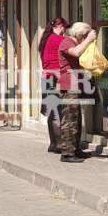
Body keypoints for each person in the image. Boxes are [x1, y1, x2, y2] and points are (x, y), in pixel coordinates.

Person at [57, 22, 98, 163]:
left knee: (77, 119)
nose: (86, 39)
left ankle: (75, 149)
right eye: (85, 36)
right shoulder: (66, 42)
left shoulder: (74, 42)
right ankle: (67, 153)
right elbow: (76, 52)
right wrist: (89, 39)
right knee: (69, 120)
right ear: (80, 35)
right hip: (69, 85)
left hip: (76, 84)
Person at [38, 17, 69, 153]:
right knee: (57, 111)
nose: (64, 31)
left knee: (52, 111)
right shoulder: (58, 39)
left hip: (46, 78)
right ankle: (59, 145)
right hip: (55, 78)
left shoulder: (46, 39)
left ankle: (53, 143)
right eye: (64, 28)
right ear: (60, 26)